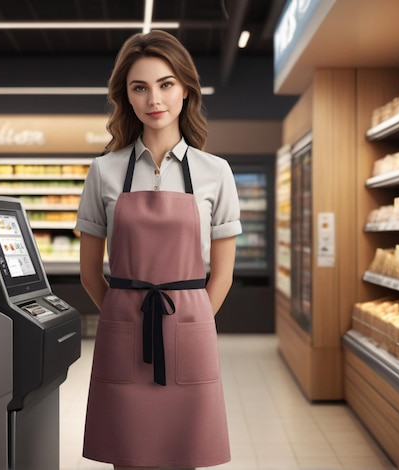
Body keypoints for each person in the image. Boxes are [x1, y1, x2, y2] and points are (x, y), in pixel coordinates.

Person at [75, 29, 242, 470]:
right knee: (127, 457)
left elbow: (222, 274)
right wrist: (119, 313)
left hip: (190, 328)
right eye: (140, 87)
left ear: (185, 89)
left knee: (184, 455)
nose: (155, 98)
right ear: (126, 97)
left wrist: (196, 319)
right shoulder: (103, 171)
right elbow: (90, 272)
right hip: (123, 331)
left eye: (166, 84)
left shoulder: (215, 172)